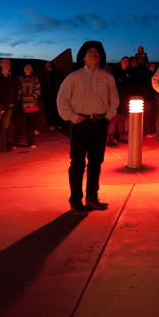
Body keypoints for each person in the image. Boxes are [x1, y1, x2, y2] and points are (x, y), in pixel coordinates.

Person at [56, 41, 119, 213]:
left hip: (100, 124)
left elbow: (114, 99)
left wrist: (108, 115)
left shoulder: (107, 78)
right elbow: (62, 100)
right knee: (77, 163)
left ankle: (92, 197)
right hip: (80, 125)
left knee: (96, 163)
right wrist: (72, 117)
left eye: (96, 52)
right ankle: (75, 200)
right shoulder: (74, 77)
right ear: (83, 57)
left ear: (101, 57)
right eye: (90, 51)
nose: (94, 53)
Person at [110, 57, 134, 147]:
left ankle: (121, 136)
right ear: (121, 62)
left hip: (125, 99)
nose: (126, 63)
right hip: (117, 98)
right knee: (115, 118)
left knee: (122, 118)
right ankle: (110, 137)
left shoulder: (130, 72)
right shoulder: (116, 72)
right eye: (124, 61)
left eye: (127, 61)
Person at [17, 62, 42, 149]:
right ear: (23, 69)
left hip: (33, 106)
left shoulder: (35, 79)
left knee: (30, 125)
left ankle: (30, 143)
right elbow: (18, 90)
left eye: (29, 67)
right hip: (22, 105)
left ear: (32, 70)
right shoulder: (19, 79)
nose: (27, 68)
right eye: (26, 67)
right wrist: (22, 100)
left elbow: (38, 90)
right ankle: (15, 143)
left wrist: (30, 98)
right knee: (19, 125)